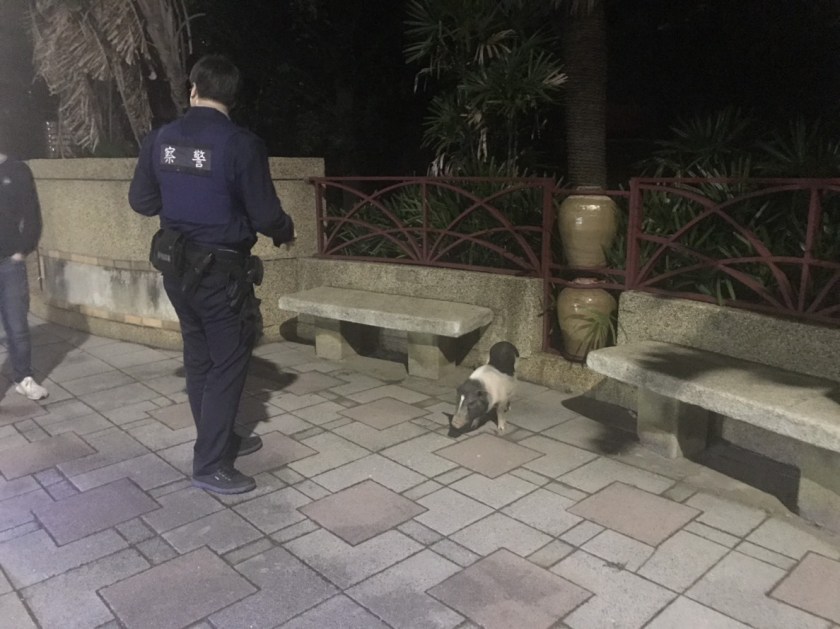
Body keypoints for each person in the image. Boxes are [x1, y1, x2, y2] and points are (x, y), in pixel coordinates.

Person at [129, 54, 295, 494]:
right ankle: (210, 463)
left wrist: (180, 204)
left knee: (199, 356)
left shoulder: (159, 140)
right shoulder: (241, 144)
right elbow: (266, 215)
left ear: (193, 90)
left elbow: (142, 202)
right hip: (220, 273)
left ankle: (220, 439)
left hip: (176, 268)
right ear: (233, 98)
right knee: (229, 361)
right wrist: (286, 231)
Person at [0, 150, 49, 401]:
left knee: (17, 325)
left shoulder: (17, 170)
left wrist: (23, 250)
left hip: (9, 260)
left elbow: (32, 213)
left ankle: (23, 378)